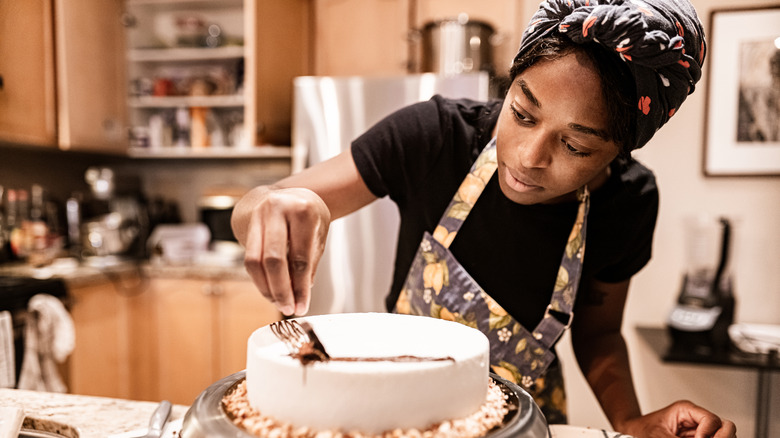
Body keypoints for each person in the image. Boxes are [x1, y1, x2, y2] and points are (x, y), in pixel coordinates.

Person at [231, 0, 737, 436]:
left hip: (522, 425)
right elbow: (260, 204)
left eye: (575, 145)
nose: (528, 157)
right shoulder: (436, 136)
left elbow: (600, 334)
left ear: (620, 150)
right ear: (510, 82)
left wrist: (630, 421)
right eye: (522, 113)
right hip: (395, 412)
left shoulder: (628, 201)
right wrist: (267, 207)